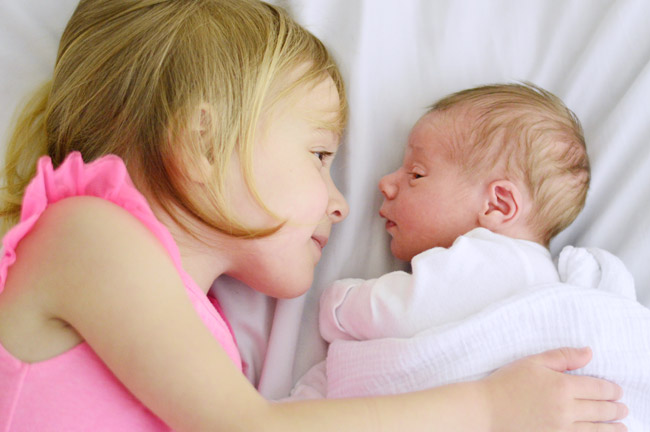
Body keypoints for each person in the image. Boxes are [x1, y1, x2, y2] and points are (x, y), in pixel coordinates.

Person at [0, 1, 627, 431]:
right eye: (319, 154)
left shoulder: (203, 329)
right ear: (203, 142)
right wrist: (488, 408)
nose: (343, 200)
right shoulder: (86, 234)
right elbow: (245, 427)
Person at [288, 84, 650, 427]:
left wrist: (338, 304)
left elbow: (399, 312)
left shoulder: (490, 259)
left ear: (497, 204)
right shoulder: (561, 280)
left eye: (416, 173)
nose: (386, 183)